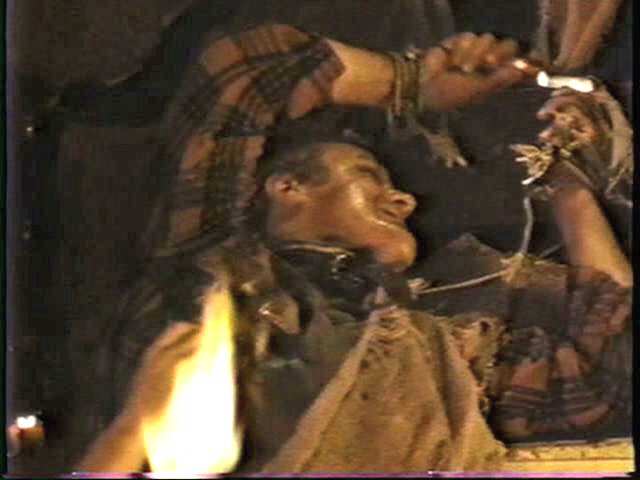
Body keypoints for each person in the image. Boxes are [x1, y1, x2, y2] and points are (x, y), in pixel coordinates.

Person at [76, 24, 632, 473]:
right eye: (368, 175)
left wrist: (569, 187)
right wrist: (413, 83)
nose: (404, 200)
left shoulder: (441, 350)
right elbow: (246, 72)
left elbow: (601, 376)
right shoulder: (212, 262)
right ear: (287, 187)